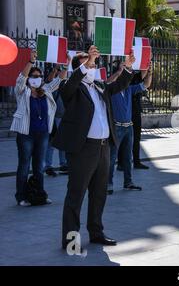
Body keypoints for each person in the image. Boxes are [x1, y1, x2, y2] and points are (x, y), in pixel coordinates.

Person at [53, 46, 135, 250]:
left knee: (99, 193)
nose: (92, 65)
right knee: (76, 194)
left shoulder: (99, 87)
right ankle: (71, 240)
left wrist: (127, 67)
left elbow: (118, 86)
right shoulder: (70, 87)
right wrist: (84, 64)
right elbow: (68, 88)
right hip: (83, 149)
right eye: (87, 62)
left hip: (103, 147)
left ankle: (96, 232)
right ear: (78, 68)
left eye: (93, 62)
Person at [10, 50, 67, 206]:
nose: (37, 79)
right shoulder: (23, 91)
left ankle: (39, 194)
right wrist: (31, 62)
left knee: (39, 166)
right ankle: (21, 196)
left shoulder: (46, 91)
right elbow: (21, 79)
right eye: (34, 77)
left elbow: (59, 80)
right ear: (30, 79)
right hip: (26, 134)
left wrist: (67, 63)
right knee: (24, 165)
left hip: (42, 134)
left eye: (39, 77)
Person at [107, 63, 153, 195]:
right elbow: (107, 82)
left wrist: (149, 73)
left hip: (129, 127)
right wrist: (119, 72)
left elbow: (146, 85)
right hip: (116, 127)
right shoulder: (110, 89)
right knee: (111, 157)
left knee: (128, 157)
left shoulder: (128, 89)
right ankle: (108, 184)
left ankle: (128, 182)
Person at [44, 64, 70, 177]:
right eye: (58, 71)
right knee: (51, 143)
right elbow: (49, 80)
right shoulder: (51, 85)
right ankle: (48, 166)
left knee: (63, 142)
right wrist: (55, 69)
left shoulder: (65, 84)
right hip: (53, 118)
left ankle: (63, 164)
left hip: (64, 118)